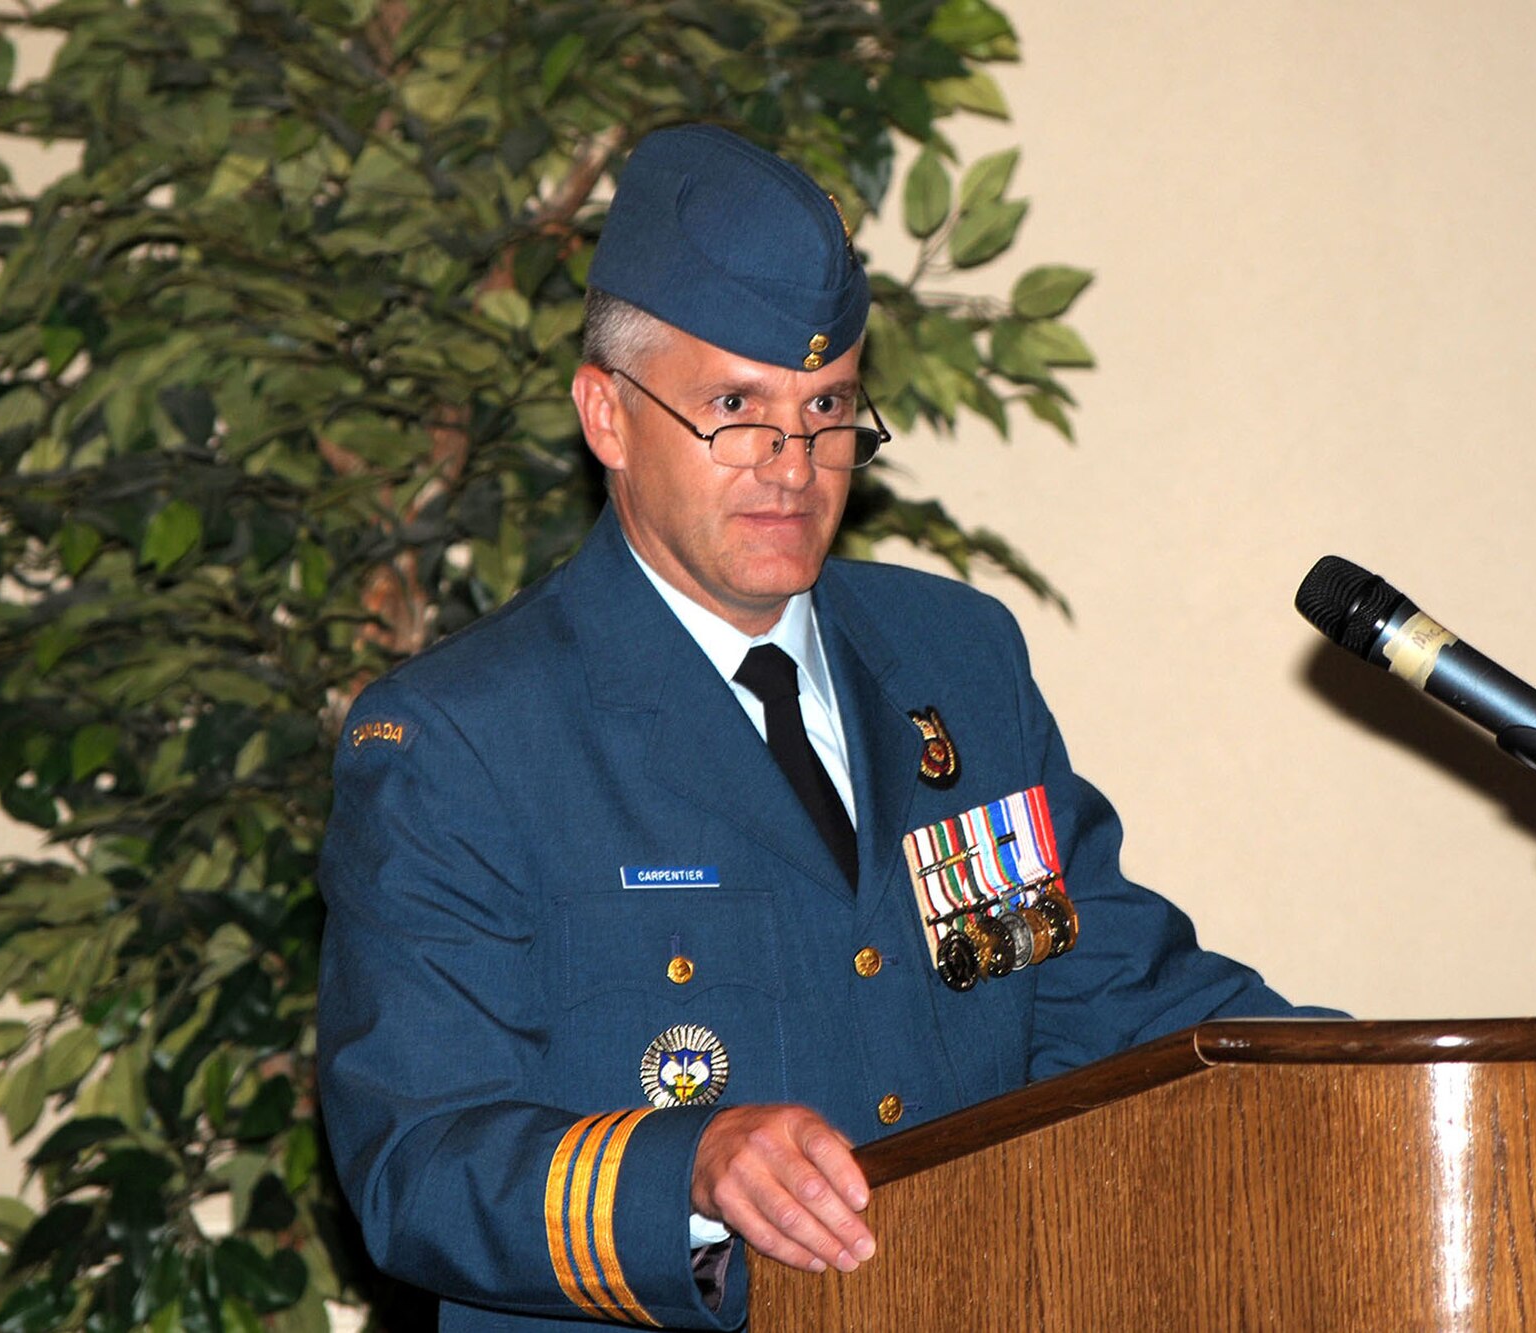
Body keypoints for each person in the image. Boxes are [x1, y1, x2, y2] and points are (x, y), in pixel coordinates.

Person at [316, 123, 1338, 1333]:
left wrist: (1371, 1088)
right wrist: (687, 1168)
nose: (792, 465)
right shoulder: (463, 741)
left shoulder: (952, 662)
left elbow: (1097, 986)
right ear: (606, 416)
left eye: (829, 408)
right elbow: (418, 1165)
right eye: (735, 407)